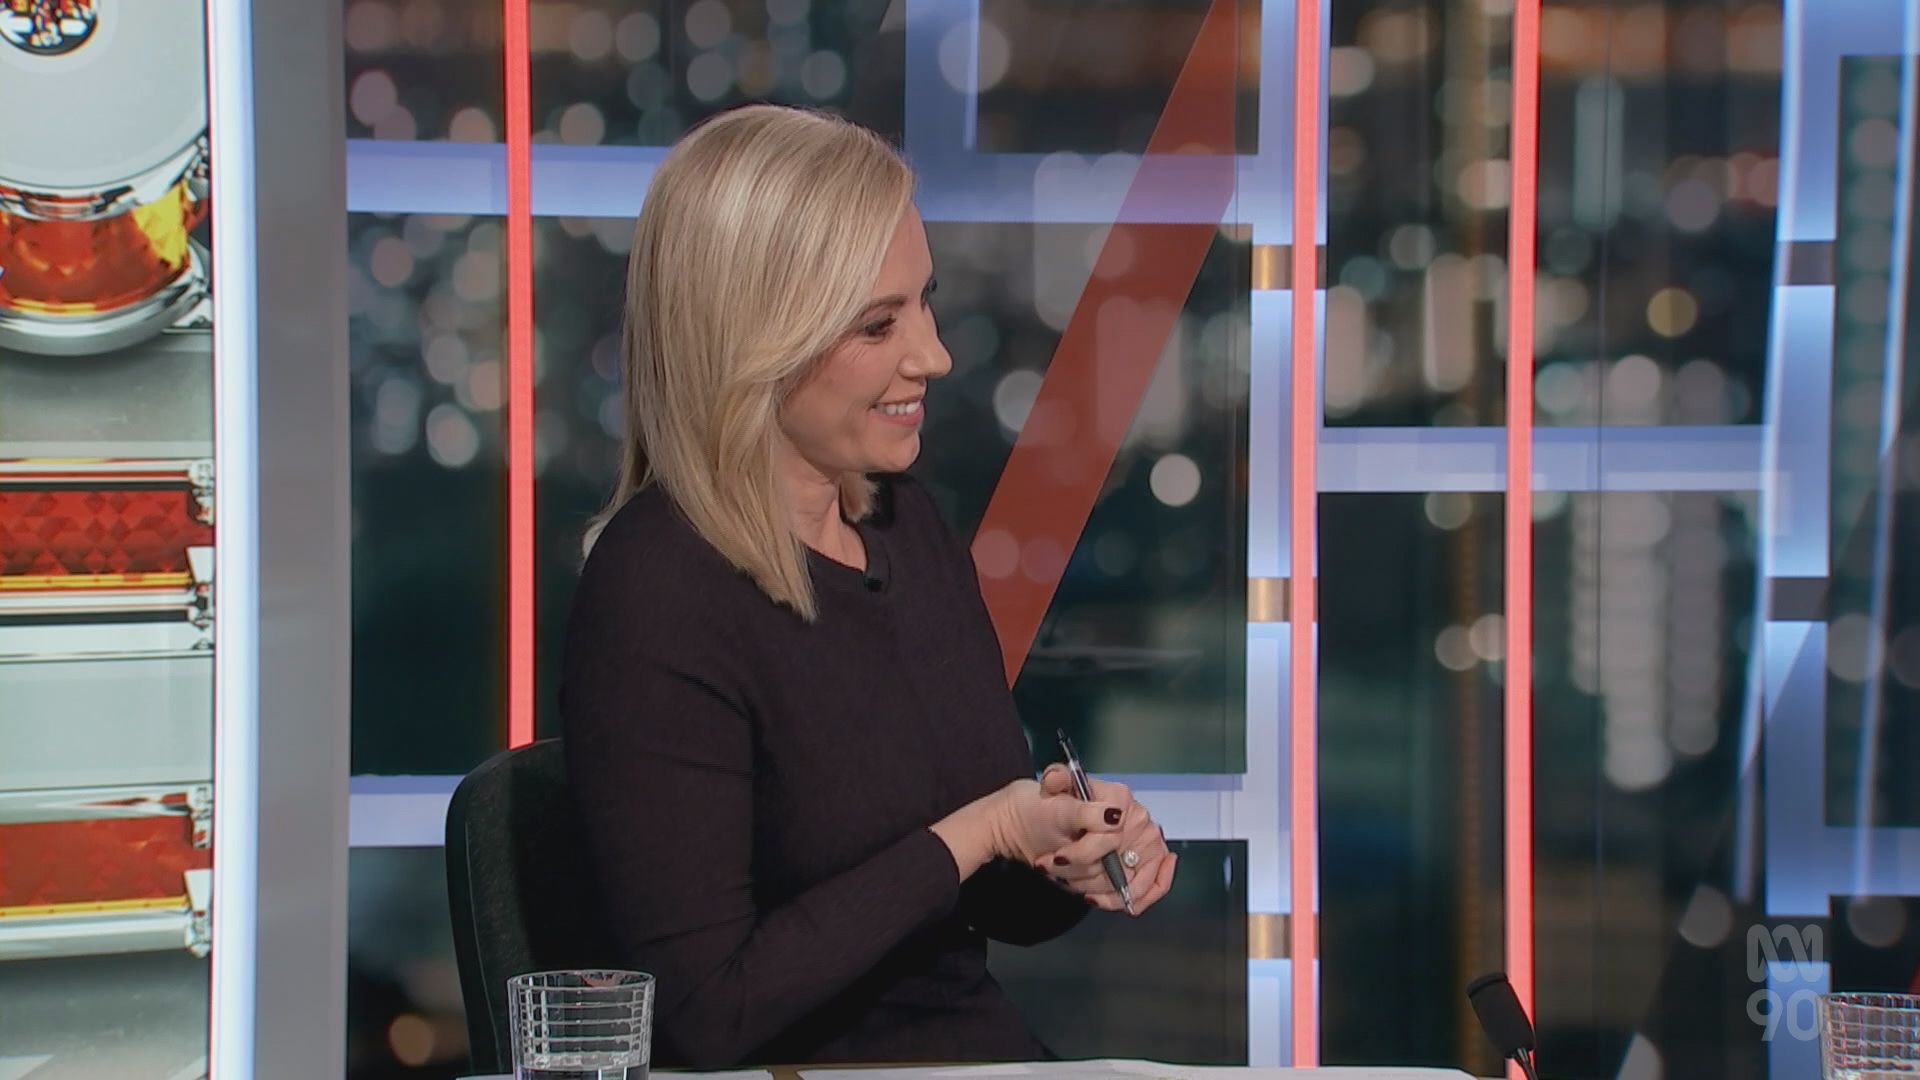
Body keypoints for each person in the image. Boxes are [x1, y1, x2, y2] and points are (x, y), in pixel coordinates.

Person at [561, 104, 1178, 1070]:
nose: (932, 355)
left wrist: (1062, 848)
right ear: (756, 338)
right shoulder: (656, 590)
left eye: (924, 303)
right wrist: (979, 831)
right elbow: (703, 1016)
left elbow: (992, 907)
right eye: (878, 324)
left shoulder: (905, 526)